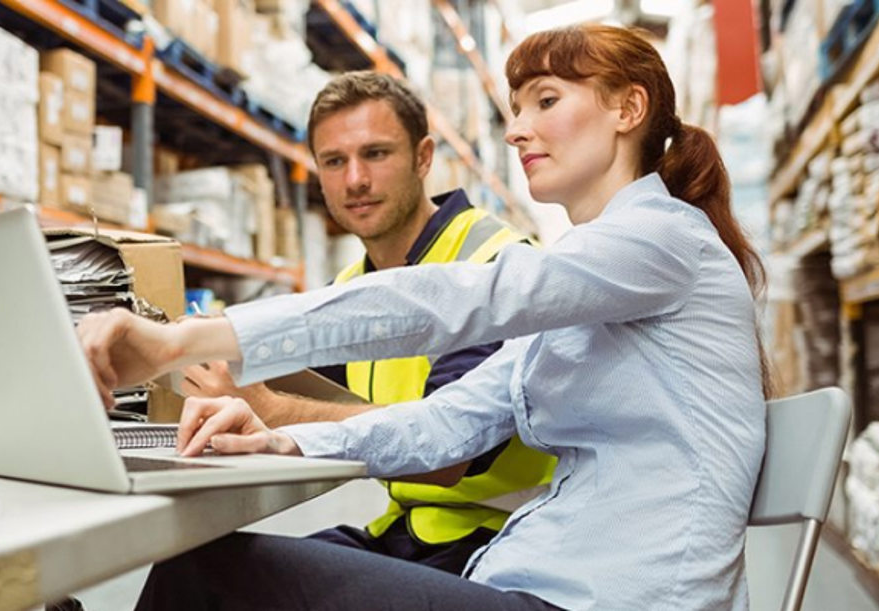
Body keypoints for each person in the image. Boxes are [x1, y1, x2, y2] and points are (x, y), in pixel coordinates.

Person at [77, 24, 769, 611]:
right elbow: (448, 420)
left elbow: (448, 299)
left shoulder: (662, 239)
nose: (518, 130)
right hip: (527, 579)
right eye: (514, 111)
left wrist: (179, 340)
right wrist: (281, 440)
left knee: (205, 575)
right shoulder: (589, 284)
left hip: (613, 598)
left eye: (546, 101)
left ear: (629, 109)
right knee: (210, 566)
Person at [181, 71, 555, 574]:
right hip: (408, 531)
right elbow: (302, 386)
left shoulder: (492, 265)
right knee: (200, 568)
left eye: (375, 154)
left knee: (209, 581)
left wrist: (269, 409)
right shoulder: (353, 285)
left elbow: (446, 457)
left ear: (424, 158)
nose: (355, 179)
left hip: (497, 543)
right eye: (334, 161)